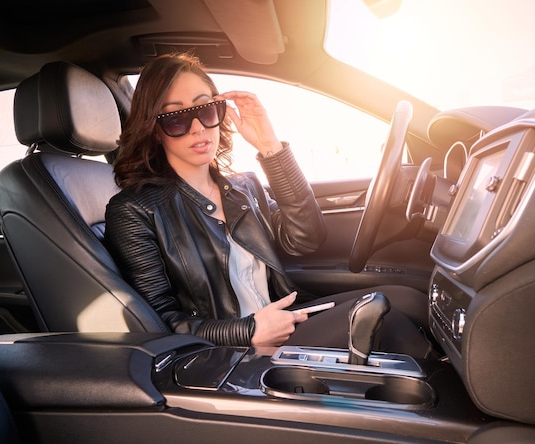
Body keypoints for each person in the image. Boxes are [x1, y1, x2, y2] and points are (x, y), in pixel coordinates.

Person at [105, 53, 432, 358]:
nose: (197, 128)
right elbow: (159, 321)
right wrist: (246, 331)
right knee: (387, 319)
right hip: (232, 354)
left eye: (205, 111)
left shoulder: (242, 187)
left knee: (410, 300)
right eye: (175, 118)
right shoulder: (134, 210)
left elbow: (305, 239)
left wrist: (269, 146)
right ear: (155, 129)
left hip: (285, 320)